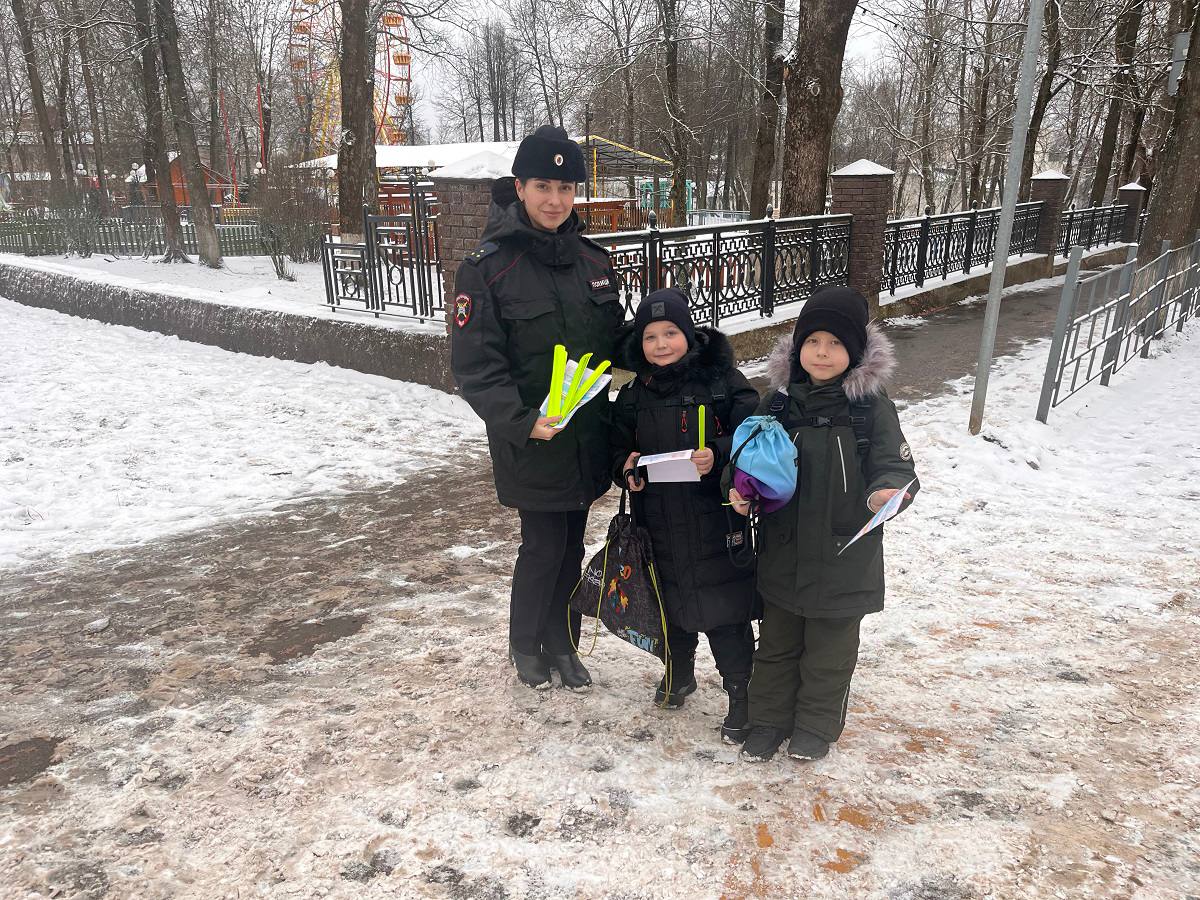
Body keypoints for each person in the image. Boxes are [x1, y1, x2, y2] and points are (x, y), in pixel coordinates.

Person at [450, 126, 625, 691]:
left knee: (572, 543)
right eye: (544, 185)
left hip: (585, 436)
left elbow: (615, 341)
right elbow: (477, 367)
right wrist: (523, 423)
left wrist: (673, 345)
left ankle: (563, 642)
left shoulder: (593, 260)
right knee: (543, 545)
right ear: (519, 186)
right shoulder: (486, 268)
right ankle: (526, 643)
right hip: (533, 438)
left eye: (567, 187)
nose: (555, 199)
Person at [725, 286, 919, 762]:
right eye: (813, 342)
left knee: (829, 653)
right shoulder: (776, 404)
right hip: (783, 550)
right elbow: (744, 459)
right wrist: (738, 489)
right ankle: (769, 720)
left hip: (843, 555)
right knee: (775, 645)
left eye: (835, 344)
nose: (823, 352)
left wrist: (888, 491)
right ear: (798, 348)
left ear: (855, 351)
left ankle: (815, 726)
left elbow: (897, 468)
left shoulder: (869, 408)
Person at [610, 288, 761, 741]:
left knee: (723, 609)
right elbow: (616, 448)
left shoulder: (720, 382)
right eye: (650, 336)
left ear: (689, 334)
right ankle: (679, 673)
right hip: (655, 520)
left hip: (714, 520)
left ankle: (741, 693)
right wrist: (627, 469)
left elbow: (752, 430)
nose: (660, 344)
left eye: (670, 333)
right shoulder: (634, 394)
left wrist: (717, 453)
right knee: (667, 602)